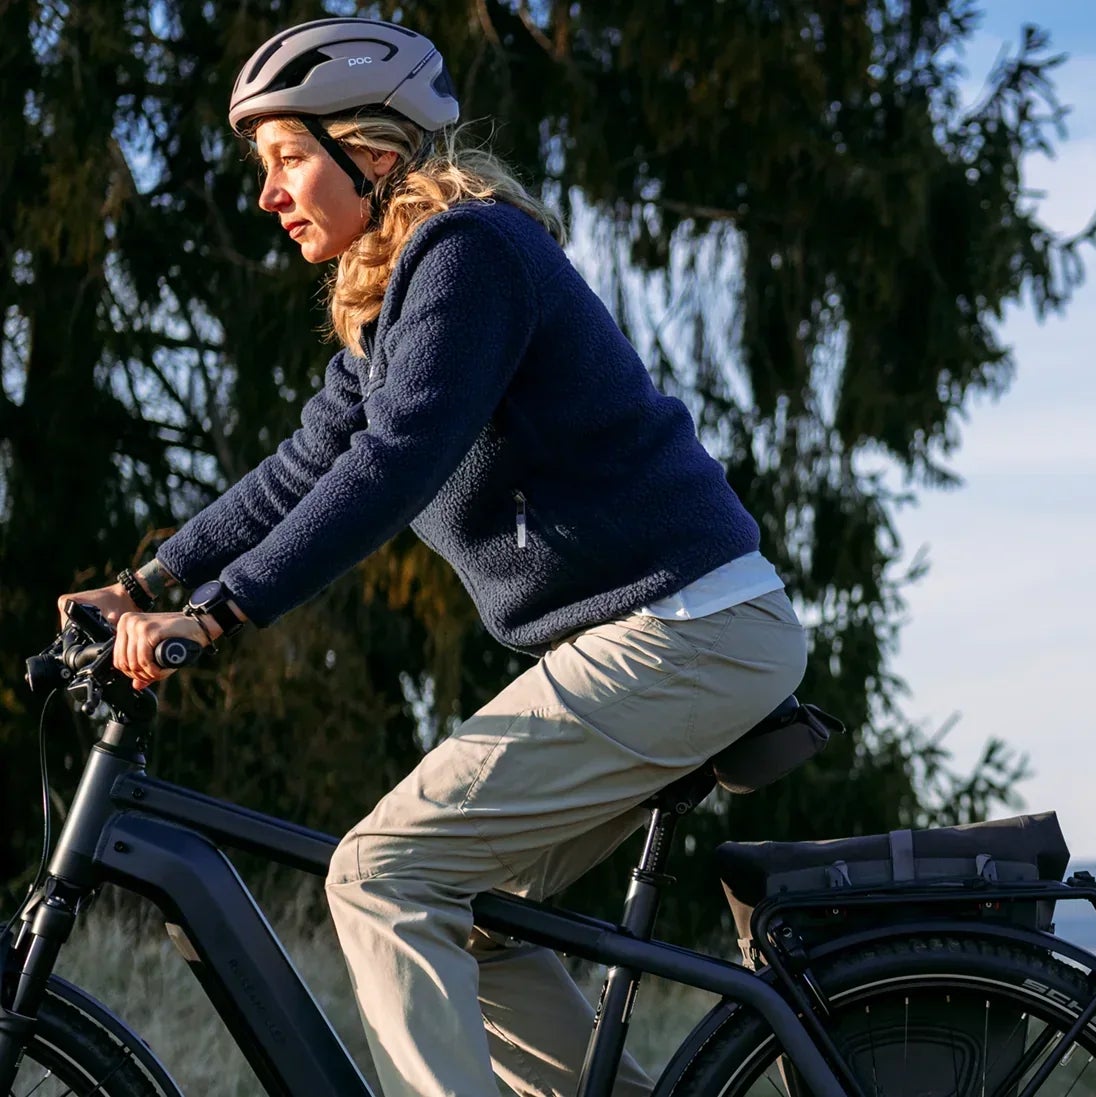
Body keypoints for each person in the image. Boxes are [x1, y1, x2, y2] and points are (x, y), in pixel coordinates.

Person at [53, 18, 805, 1096]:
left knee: (382, 872)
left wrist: (219, 614)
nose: (268, 195)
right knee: (472, 911)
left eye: (288, 159)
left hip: (688, 630)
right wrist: (152, 582)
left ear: (371, 150)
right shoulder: (395, 291)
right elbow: (306, 465)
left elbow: (397, 461)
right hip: (668, 636)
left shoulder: (472, 255)